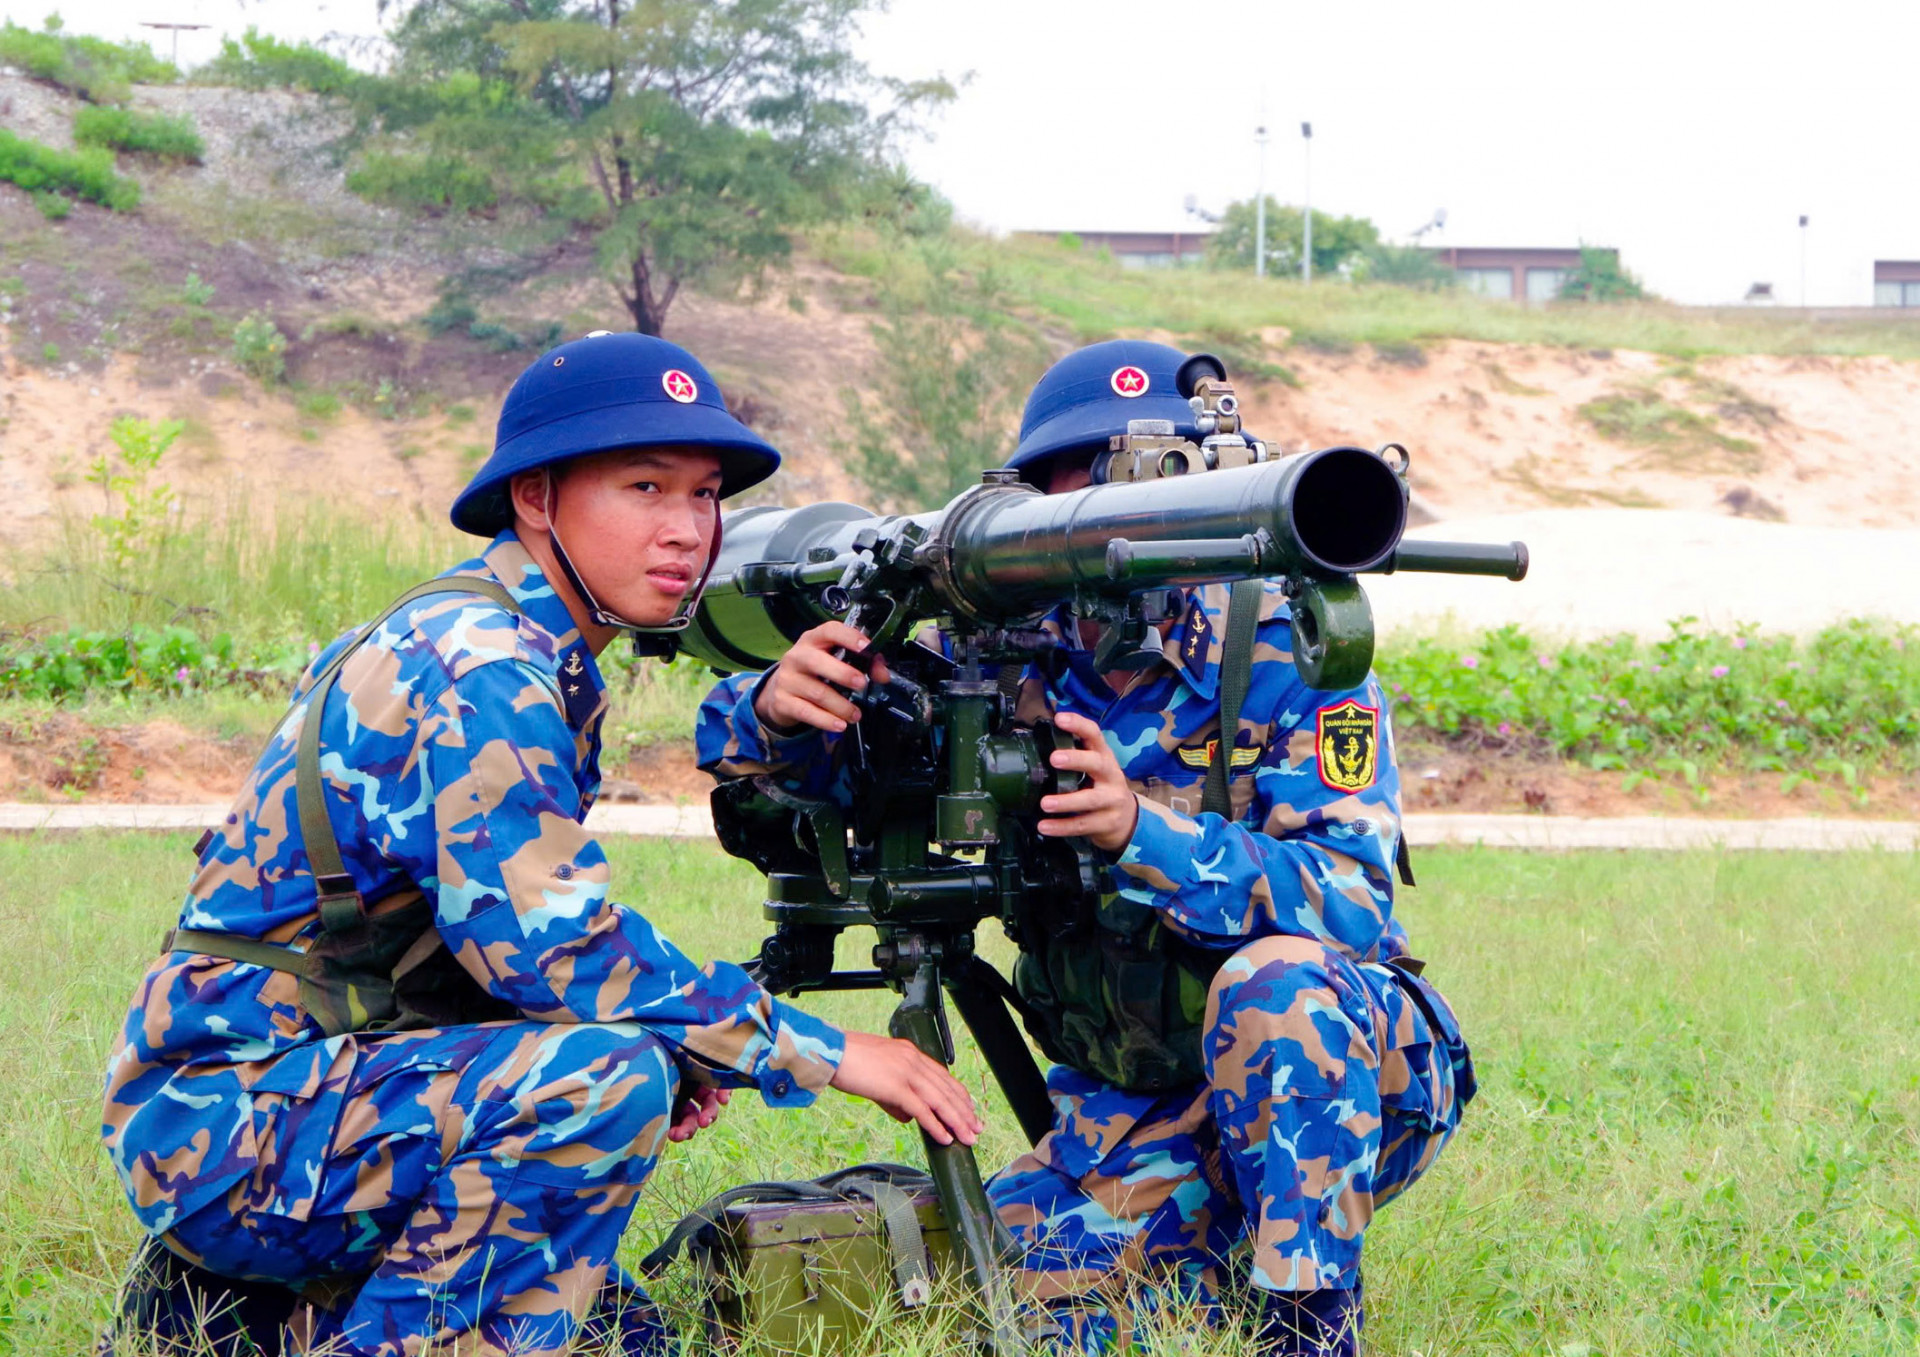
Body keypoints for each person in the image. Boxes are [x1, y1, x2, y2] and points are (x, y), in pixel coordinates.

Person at [100, 332, 981, 1357]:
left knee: (624, 1334)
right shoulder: (481, 666)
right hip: (227, 1125)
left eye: (703, 495)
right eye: (644, 487)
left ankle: (249, 1318)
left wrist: (677, 1035)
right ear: (535, 498)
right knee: (598, 1081)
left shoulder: (511, 644)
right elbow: (558, 952)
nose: (688, 529)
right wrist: (829, 1051)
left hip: (284, 1094)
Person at [694, 339, 1474, 1355]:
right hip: (1131, 1104)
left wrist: (1145, 834)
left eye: (1144, 468)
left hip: (1334, 1068)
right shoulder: (994, 646)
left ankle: (1308, 1323)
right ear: (1033, 495)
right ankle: (1209, 1259)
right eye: (1089, 471)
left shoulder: (1286, 643)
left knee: (1280, 984)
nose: (1118, 495)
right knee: (1006, 1307)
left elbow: (1354, 905)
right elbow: (824, 782)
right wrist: (773, 711)